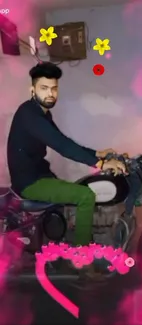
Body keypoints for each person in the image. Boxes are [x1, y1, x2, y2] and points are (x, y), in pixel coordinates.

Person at [7, 62, 126, 277]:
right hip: (30, 181)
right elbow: (61, 145)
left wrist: (97, 153)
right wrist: (99, 164)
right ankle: (81, 261)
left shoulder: (42, 113)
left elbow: (63, 140)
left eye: (53, 88)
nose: (50, 93)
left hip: (40, 174)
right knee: (85, 195)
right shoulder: (29, 115)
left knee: (72, 196)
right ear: (32, 89)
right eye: (44, 88)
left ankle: (65, 245)